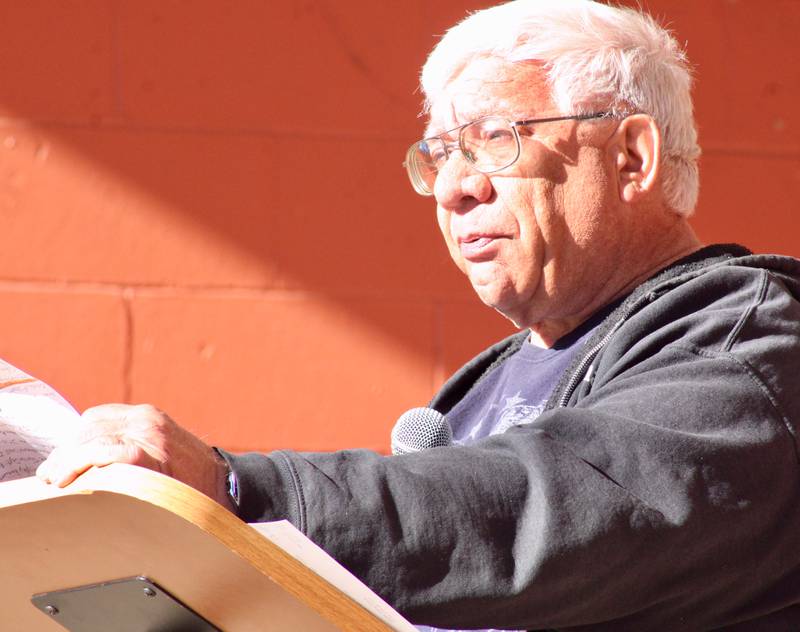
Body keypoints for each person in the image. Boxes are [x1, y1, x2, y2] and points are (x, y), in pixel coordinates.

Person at [37, 0, 800, 629]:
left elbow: (552, 506)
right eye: (439, 155)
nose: (452, 188)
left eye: (494, 141)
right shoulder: (480, 388)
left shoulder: (747, 336)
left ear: (632, 156)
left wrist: (234, 491)